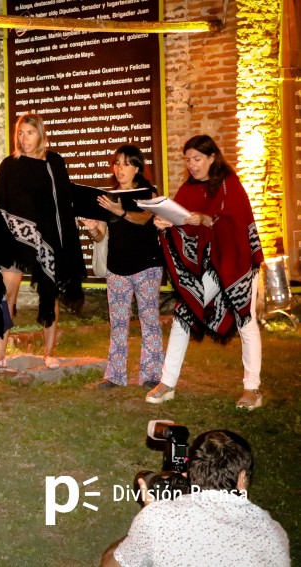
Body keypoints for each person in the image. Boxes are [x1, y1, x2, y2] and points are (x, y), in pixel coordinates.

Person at [146, 135, 264, 409]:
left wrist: (207, 219)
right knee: (182, 315)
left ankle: (252, 388)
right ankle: (168, 382)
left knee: (246, 319)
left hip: (236, 261)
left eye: (197, 159)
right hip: (207, 264)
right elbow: (183, 225)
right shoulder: (187, 189)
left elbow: (236, 222)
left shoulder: (229, 184)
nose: (192, 165)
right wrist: (167, 224)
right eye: (187, 160)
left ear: (212, 158)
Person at [102, 430, 290, 567]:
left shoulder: (157, 519)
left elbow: (109, 565)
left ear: (188, 473)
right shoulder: (274, 533)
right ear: (242, 477)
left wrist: (148, 514)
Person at [0, 113, 85, 370]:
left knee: (49, 293)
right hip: (15, 238)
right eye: (20, 133)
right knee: (7, 295)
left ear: (41, 134)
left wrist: (62, 241)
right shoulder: (9, 164)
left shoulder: (53, 162)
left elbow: (62, 203)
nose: (24, 138)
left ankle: (48, 353)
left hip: (46, 238)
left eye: (29, 132)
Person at [81, 146, 164, 389]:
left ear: (137, 167)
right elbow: (100, 237)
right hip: (117, 268)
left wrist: (121, 211)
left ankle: (151, 375)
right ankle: (115, 376)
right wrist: (91, 227)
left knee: (149, 321)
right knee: (117, 323)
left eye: (126, 164)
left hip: (147, 266)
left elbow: (143, 219)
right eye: (116, 163)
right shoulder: (109, 198)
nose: (119, 169)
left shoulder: (149, 193)